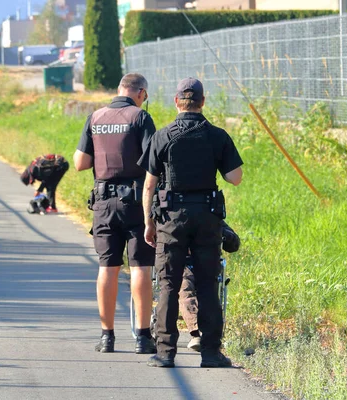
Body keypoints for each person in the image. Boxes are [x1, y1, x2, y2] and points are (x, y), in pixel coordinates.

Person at [139, 77, 243, 368]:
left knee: (169, 283)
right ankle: (210, 353)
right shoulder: (217, 135)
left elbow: (148, 186)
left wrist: (148, 222)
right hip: (207, 218)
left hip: (170, 218)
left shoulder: (163, 135)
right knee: (208, 284)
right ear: (203, 102)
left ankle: (165, 353)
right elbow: (235, 178)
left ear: (176, 102)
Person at [73, 73, 157, 354]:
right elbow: (153, 164)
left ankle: (107, 337)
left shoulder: (95, 117)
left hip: (103, 203)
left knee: (107, 267)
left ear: (119, 89)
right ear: (141, 94)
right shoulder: (140, 118)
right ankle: (143, 338)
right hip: (135, 203)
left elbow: (80, 163)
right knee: (140, 267)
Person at [180, 221, 241, 352]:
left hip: (207, 263)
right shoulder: (176, 217)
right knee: (185, 288)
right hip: (182, 265)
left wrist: (222, 234)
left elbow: (234, 244)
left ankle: (208, 334)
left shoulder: (211, 217)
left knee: (208, 290)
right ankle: (197, 333)